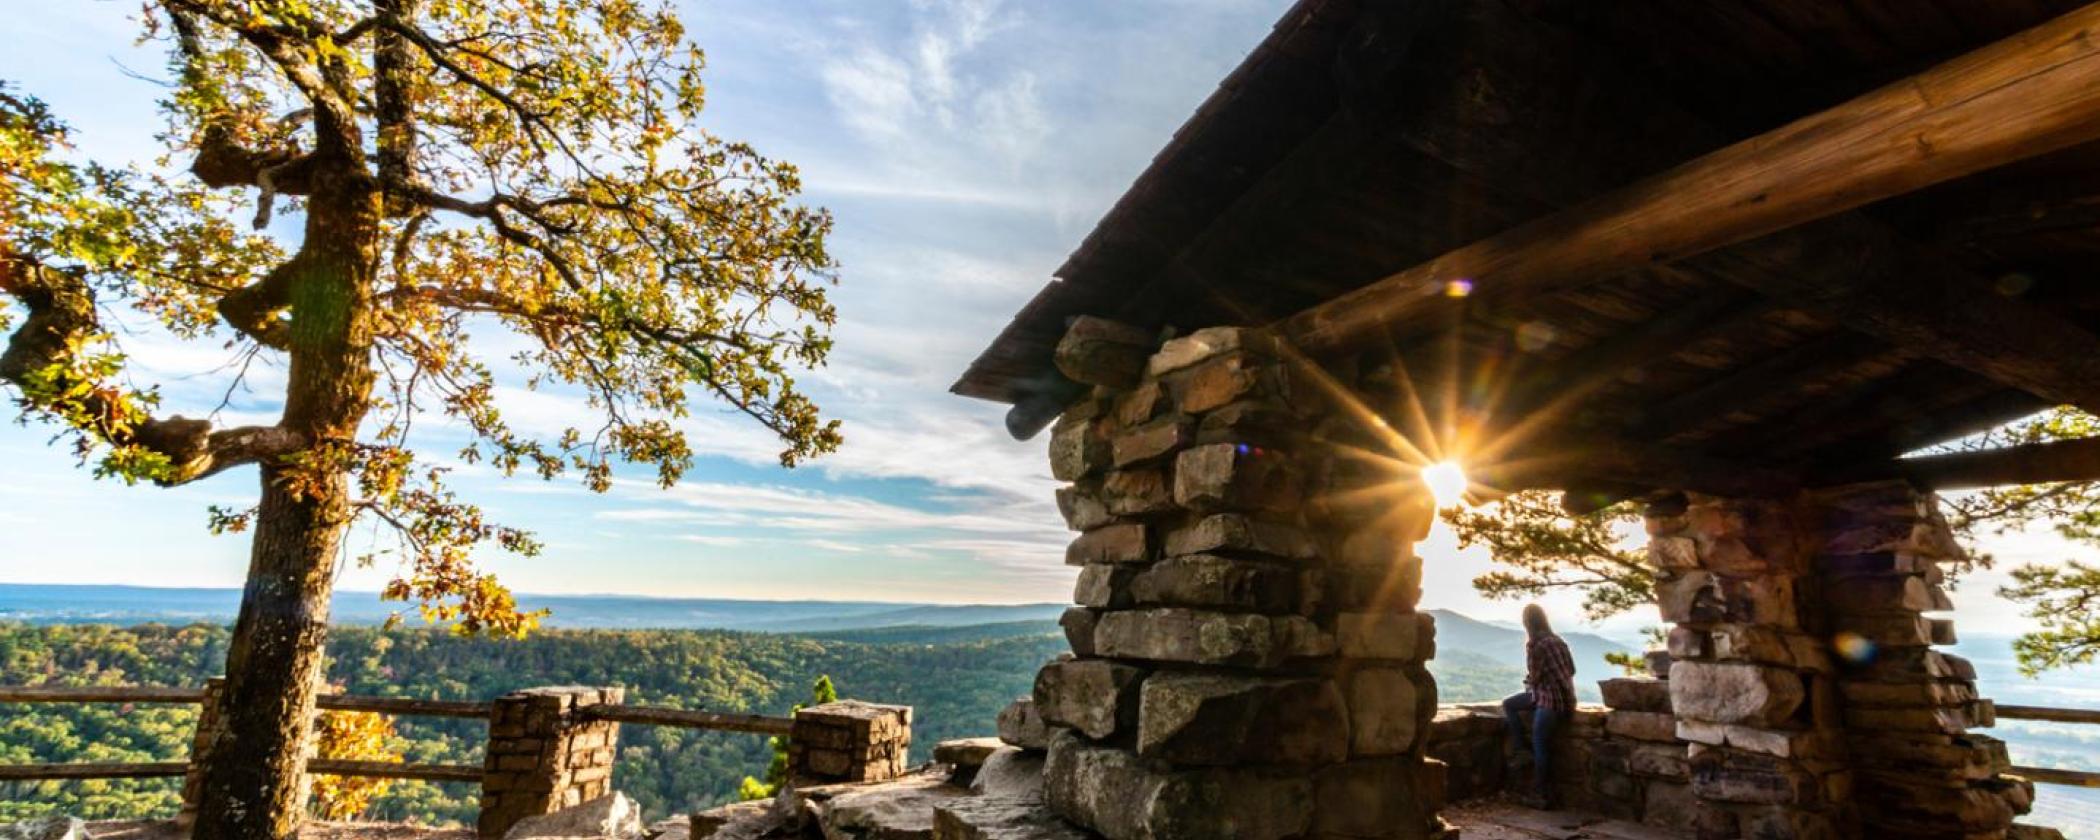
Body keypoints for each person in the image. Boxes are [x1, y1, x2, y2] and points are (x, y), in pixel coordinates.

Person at [1502, 603, 1575, 809]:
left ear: (1527, 623)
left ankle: (1541, 793)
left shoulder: (1535, 644)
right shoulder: (1559, 641)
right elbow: (1572, 670)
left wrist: (1530, 682)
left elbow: (1535, 678)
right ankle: (1525, 756)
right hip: (1567, 699)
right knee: (1513, 706)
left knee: (1538, 743)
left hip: (1547, 701)